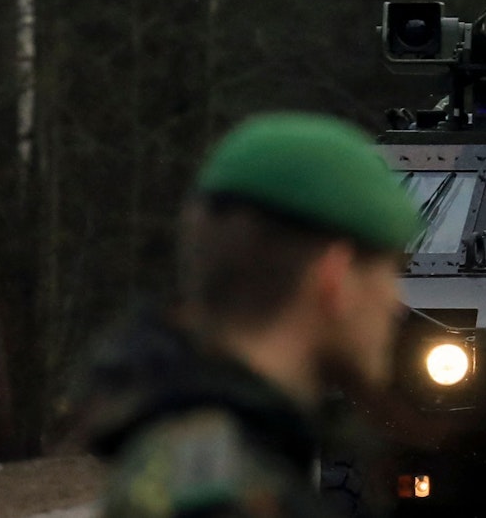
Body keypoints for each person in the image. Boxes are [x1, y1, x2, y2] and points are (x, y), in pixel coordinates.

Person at [83, 113, 422, 517]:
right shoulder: (228, 498)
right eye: (389, 272)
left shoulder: (210, 455)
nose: (395, 302)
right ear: (335, 278)